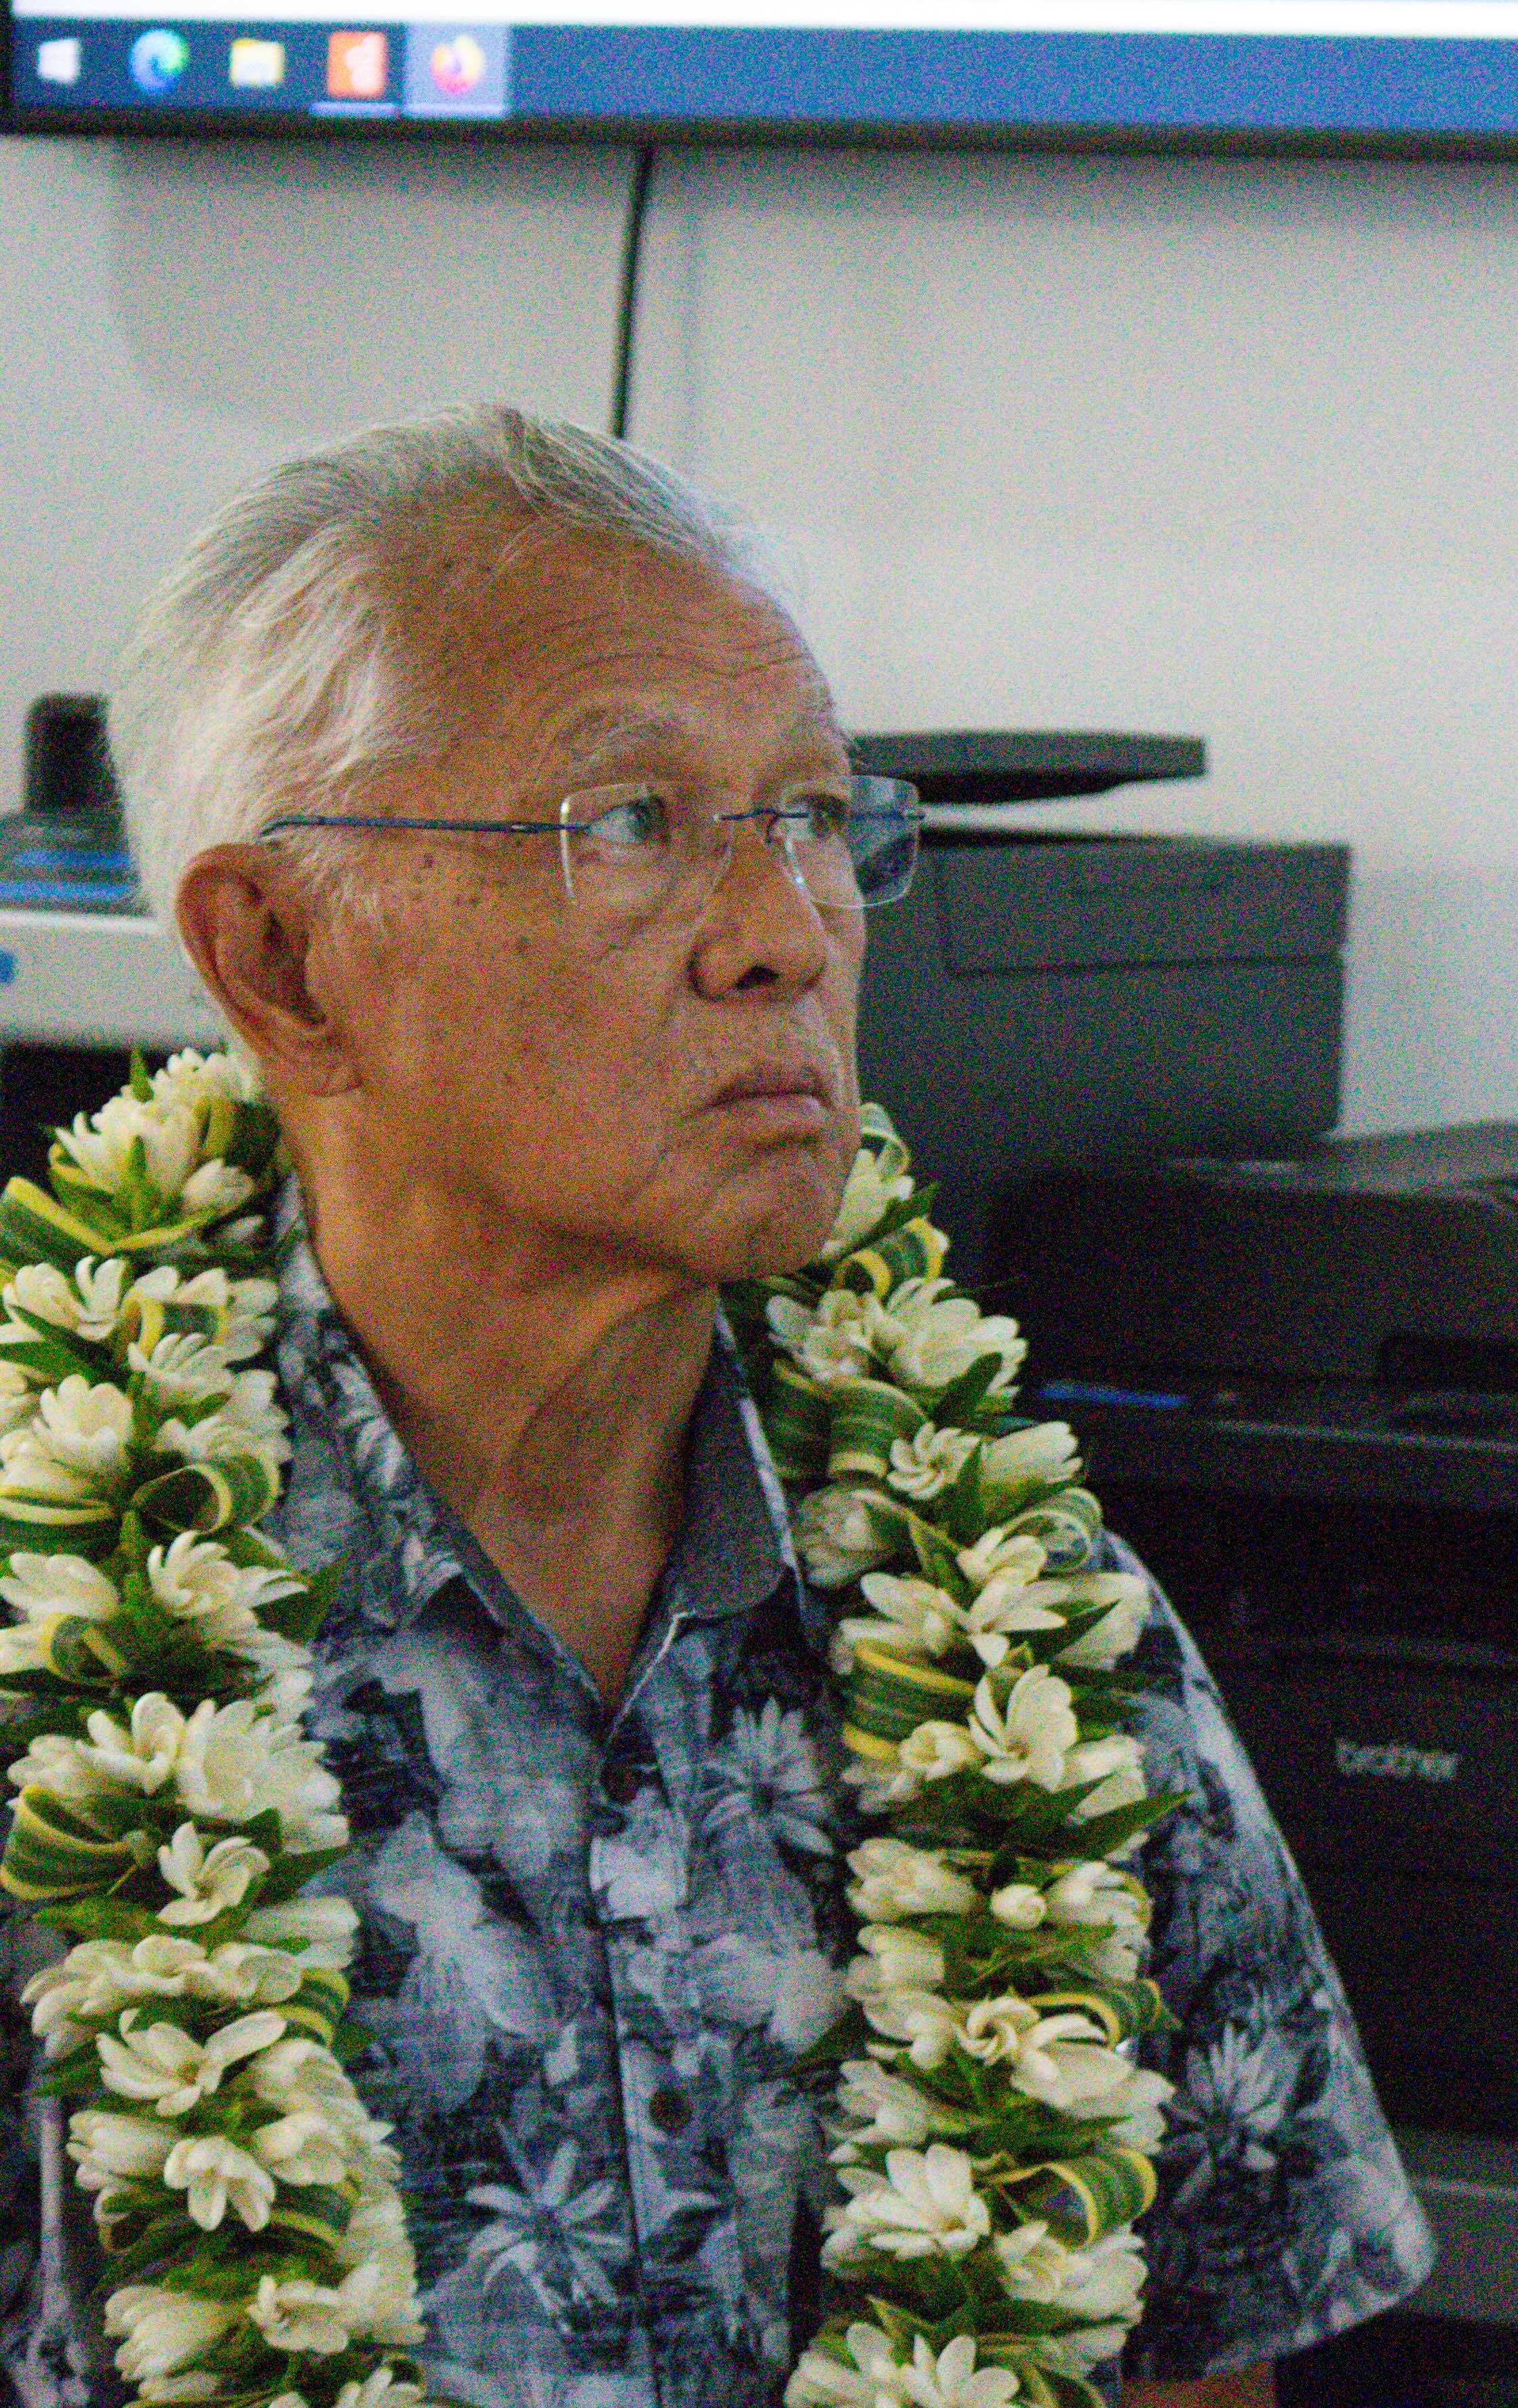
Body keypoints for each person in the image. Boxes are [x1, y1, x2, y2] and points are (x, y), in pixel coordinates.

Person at [0, 406, 1428, 2408]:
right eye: (632, 826)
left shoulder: (1026, 1621)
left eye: (821, 820)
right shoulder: (53, 1641)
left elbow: (1200, 2352)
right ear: (280, 957)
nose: (784, 935)